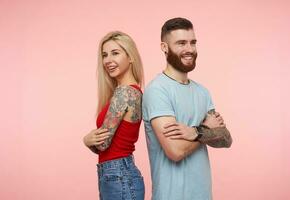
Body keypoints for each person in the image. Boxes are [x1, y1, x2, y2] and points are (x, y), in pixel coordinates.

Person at [142, 17, 232, 200]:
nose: (189, 49)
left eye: (193, 42)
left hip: (202, 194)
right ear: (164, 47)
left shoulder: (203, 92)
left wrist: (194, 132)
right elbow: (175, 151)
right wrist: (205, 129)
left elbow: (225, 138)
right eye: (181, 43)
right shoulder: (157, 90)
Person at [83, 31, 145, 200]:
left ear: (130, 57)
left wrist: (87, 140)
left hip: (118, 175)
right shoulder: (129, 92)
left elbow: (103, 144)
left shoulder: (125, 93)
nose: (108, 60)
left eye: (115, 53)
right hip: (117, 175)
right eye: (104, 55)